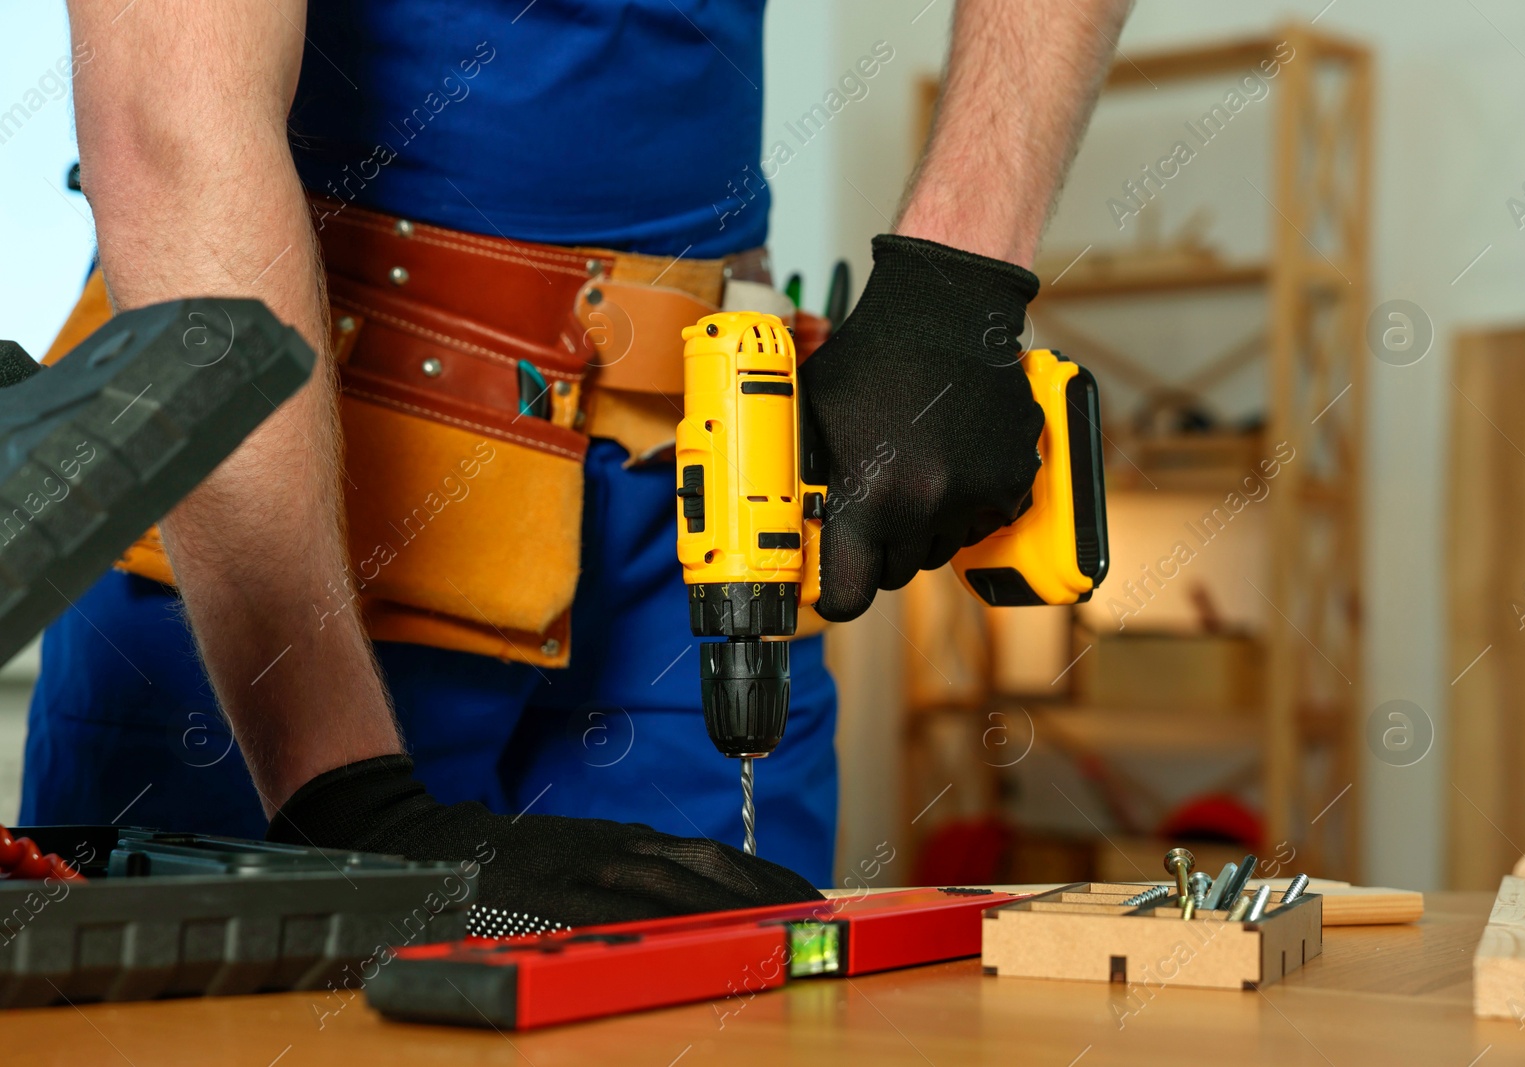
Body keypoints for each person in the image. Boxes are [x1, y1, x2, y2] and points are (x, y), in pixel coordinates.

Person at [24, 0, 1130, 928]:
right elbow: (169, 116)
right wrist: (344, 798)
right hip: (292, 527)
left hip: (699, 500)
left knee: (753, 1011)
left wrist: (960, 277)